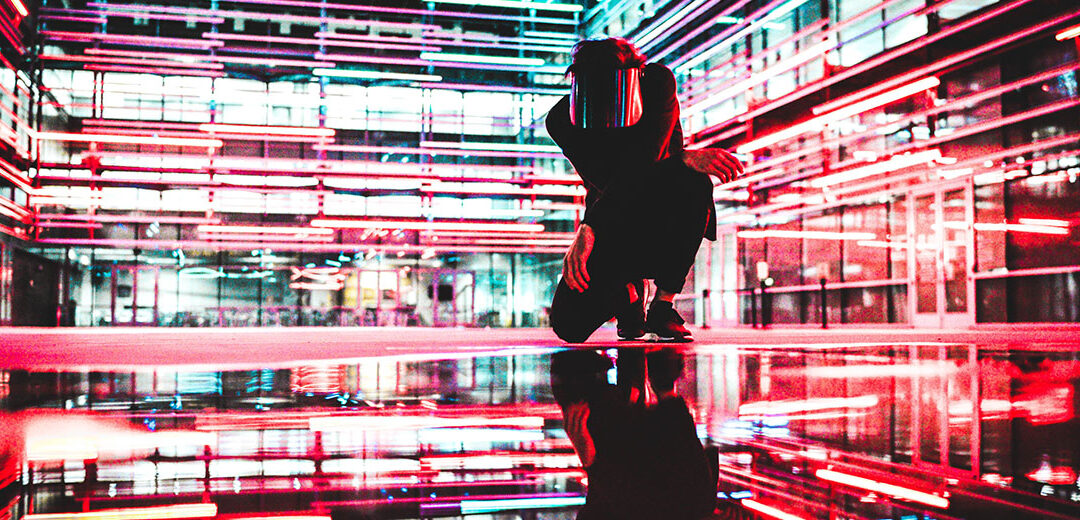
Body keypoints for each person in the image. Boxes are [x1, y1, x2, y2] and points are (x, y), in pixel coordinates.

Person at [546, 38, 743, 343]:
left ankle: (663, 305)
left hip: (665, 209)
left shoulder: (656, 83)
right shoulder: (561, 120)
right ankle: (629, 294)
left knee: (694, 180)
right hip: (613, 217)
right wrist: (683, 158)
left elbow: (644, 159)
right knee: (568, 324)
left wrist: (588, 228)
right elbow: (611, 180)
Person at [551, 347, 717, 520]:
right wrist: (591, 462)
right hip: (629, 462)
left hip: (630, 460)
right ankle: (653, 378)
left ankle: (655, 377)